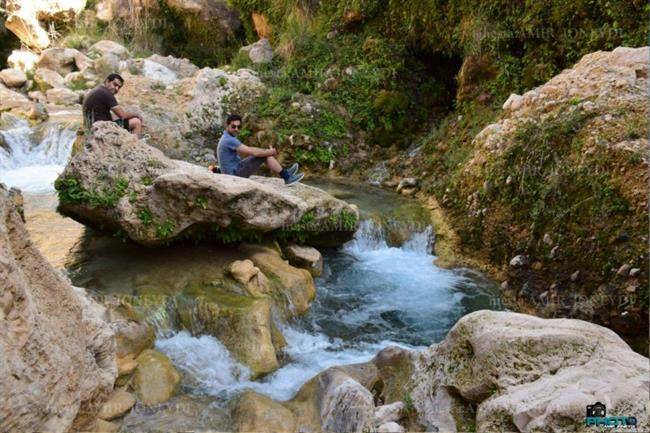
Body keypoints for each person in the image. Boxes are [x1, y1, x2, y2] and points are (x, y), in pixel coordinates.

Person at [216, 114, 304, 185]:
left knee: (264, 153)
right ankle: (287, 177)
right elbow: (253, 152)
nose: (236, 129)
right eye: (233, 126)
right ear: (227, 126)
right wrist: (269, 152)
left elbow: (250, 149)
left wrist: (265, 151)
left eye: (239, 127)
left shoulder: (227, 137)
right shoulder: (229, 140)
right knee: (263, 156)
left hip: (234, 171)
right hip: (234, 175)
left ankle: (286, 173)